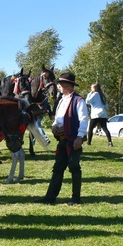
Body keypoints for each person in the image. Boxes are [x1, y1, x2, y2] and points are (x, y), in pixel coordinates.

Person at [35, 71, 88, 205]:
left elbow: (83, 120)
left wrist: (79, 138)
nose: (58, 86)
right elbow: (57, 118)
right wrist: (54, 126)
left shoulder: (79, 100)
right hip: (62, 139)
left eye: (61, 84)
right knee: (58, 168)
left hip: (73, 140)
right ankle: (50, 197)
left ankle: (76, 198)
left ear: (68, 85)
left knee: (74, 167)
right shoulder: (61, 100)